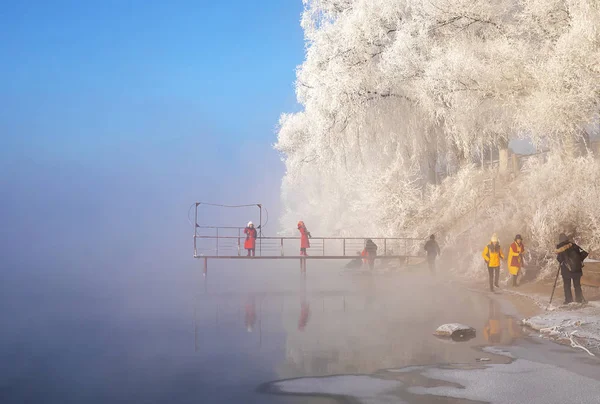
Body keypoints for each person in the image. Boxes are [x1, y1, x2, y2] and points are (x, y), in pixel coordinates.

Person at [556, 233, 588, 304]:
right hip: (577, 269)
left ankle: (568, 300)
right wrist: (579, 260)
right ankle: (579, 299)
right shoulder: (573, 245)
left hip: (567, 270)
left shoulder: (560, 247)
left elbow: (560, 258)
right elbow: (584, 253)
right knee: (577, 285)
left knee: (567, 285)